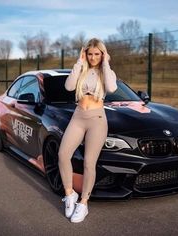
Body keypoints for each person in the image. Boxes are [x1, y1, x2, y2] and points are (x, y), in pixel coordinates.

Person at [58, 38, 117, 223]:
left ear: (102, 54)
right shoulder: (82, 69)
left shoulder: (107, 72)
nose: (93, 58)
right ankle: (70, 195)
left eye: (97, 54)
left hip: (97, 119)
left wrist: (106, 63)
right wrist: (79, 62)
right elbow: (68, 86)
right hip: (78, 117)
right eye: (90, 54)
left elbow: (112, 88)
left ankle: (83, 203)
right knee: (63, 154)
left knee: (89, 163)